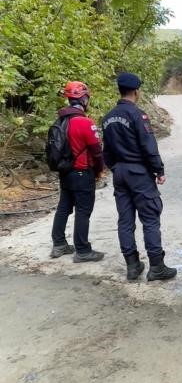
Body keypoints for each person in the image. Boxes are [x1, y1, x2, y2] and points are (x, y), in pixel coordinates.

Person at [101, 72, 177, 282]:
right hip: (139, 173)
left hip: (120, 174)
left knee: (125, 221)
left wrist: (115, 168)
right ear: (136, 91)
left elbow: (106, 152)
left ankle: (132, 266)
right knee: (150, 219)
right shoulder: (138, 115)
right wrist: (159, 170)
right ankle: (156, 267)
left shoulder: (107, 118)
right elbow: (148, 146)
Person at [50, 81, 105, 262]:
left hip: (65, 172)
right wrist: (99, 170)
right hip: (82, 173)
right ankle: (82, 250)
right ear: (84, 99)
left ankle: (59, 244)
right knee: (83, 211)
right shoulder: (85, 122)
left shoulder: (60, 120)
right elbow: (97, 152)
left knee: (64, 207)